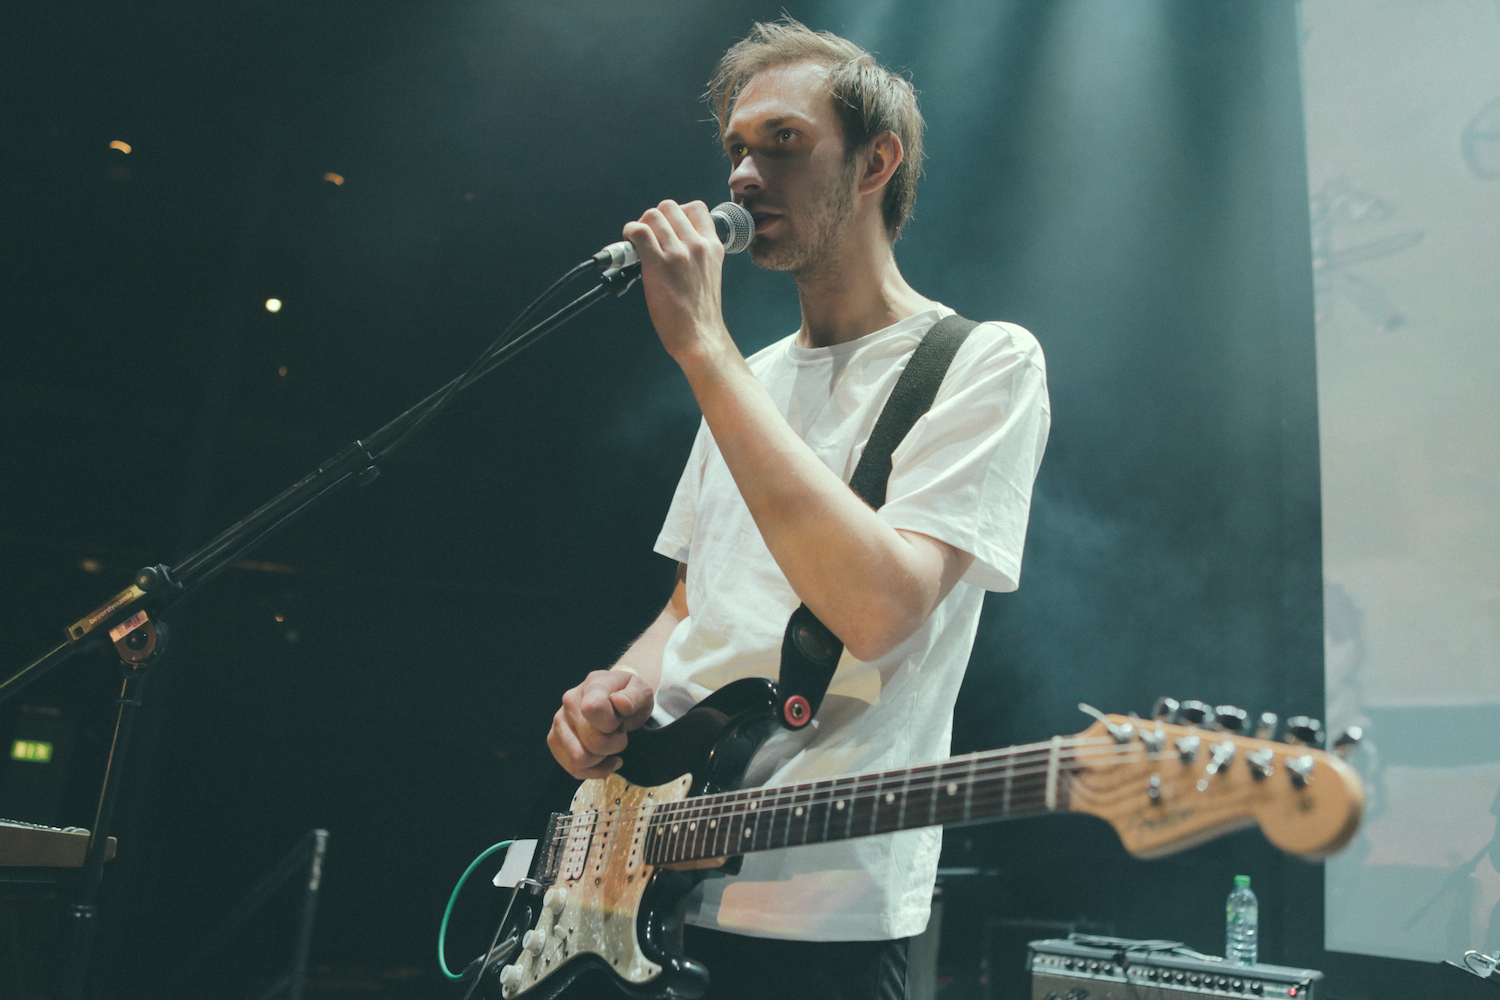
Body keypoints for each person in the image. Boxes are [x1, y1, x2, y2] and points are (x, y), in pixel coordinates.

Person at [546, 18, 1050, 1000]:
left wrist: (702, 349)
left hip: (824, 918)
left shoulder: (986, 362)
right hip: (642, 879)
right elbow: (692, 608)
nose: (740, 174)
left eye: (782, 141)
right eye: (736, 147)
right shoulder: (753, 376)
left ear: (875, 163)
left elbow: (880, 609)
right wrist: (612, 693)